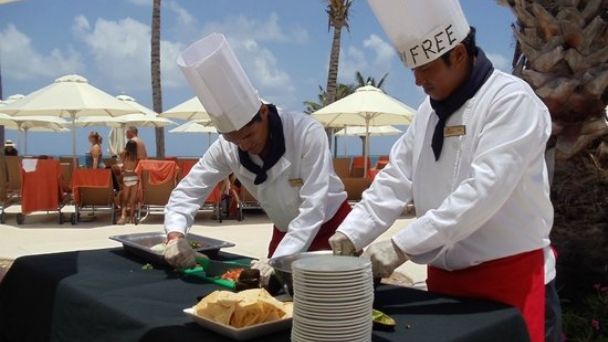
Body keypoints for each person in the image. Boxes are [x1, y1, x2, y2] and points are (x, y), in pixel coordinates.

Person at [329, 1, 560, 341]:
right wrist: (350, 234)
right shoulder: (428, 113)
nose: (418, 80)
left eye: (426, 68)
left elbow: (482, 192)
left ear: (459, 55)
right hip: (443, 285)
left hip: (508, 281)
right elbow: (394, 181)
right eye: (413, 70)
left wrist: (400, 246)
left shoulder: (511, 101)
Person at [163, 33, 350, 285]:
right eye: (233, 138)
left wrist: (278, 260)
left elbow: (312, 210)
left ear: (263, 112)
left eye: (248, 134)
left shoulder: (306, 133)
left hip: (331, 228)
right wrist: (175, 236)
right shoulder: (226, 147)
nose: (243, 144)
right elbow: (189, 191)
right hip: (284, 232)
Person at [117, 140, 140, 225]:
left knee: (125, 199)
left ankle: (123, 216)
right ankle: (131, 219)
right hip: (134, 177)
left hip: (126, 177)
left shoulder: (124, 155)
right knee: (132, 200)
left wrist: (125, 149)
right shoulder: (136, 156)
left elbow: (119, 153)